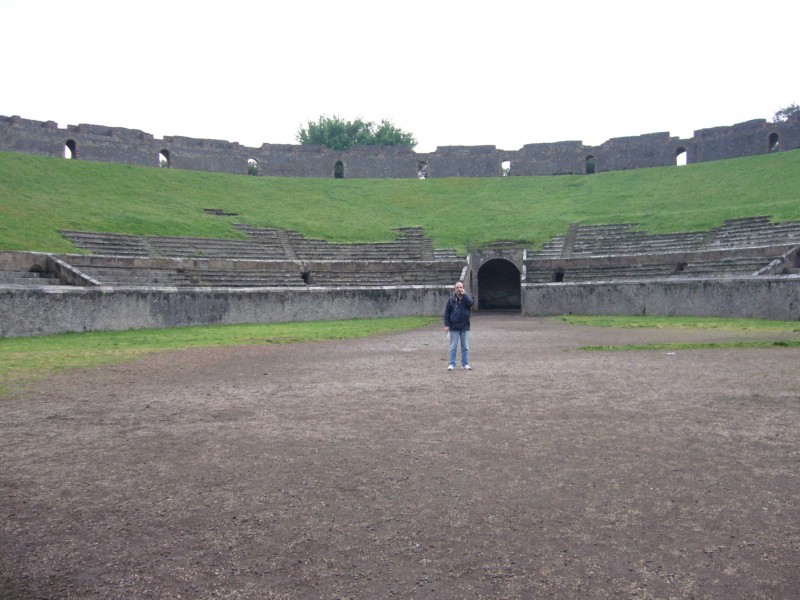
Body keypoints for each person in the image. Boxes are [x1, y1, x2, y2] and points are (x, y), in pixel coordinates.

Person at [443, 281, 473, 371]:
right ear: (455, 289)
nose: (459, 289)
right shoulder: (451, 300)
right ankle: (452, 364)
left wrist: (465, 295)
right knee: (453, 347)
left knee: (465, 347)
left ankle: (465, 364)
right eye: (457, 288)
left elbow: (471, 304)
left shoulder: (466, 299)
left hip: (465, 326)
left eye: (461, 287)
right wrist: (446, 325)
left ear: (463, 288)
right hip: (454, 326)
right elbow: (446, 313)